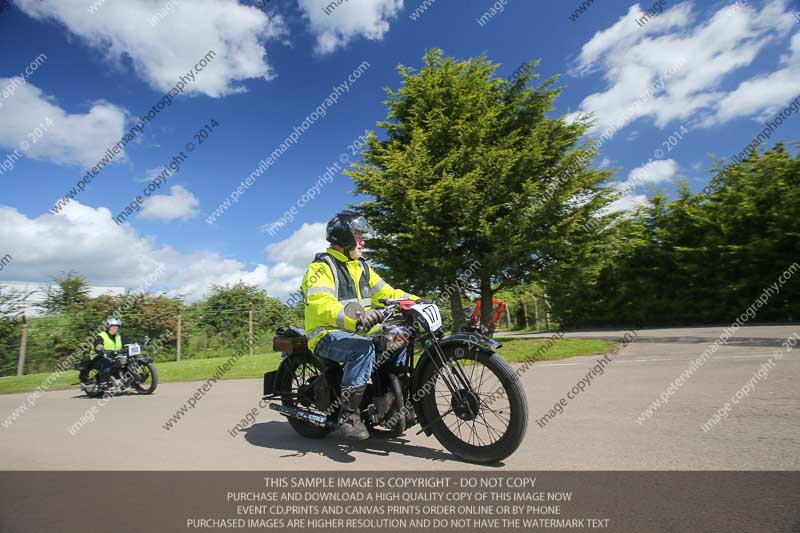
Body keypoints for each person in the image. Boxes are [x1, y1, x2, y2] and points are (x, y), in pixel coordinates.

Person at [301, 211, 418, 440]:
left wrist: (416, 301)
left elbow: (389, 293)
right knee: (362, 348)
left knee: (399, 339)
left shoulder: (362, 267)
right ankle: (349, 415)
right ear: (344, 237)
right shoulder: (321, 268)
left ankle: (388, 401)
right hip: (326, 334)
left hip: (358, 332)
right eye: (357, 236)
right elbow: (321, 304)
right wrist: (356, 318)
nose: (362, 241)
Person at [92, 318, 125, 385]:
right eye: (113, 327)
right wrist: (101, 350)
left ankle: (122, 378)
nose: (115, 329)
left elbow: (128, 340)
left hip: (113, 356)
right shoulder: (101, 336)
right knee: (107, 363)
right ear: (108, 327)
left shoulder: (119, 336)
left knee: (125, 360)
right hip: (98, 356)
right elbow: (97, 344)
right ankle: (103, 382)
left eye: (117, 327)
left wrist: (135, 344)